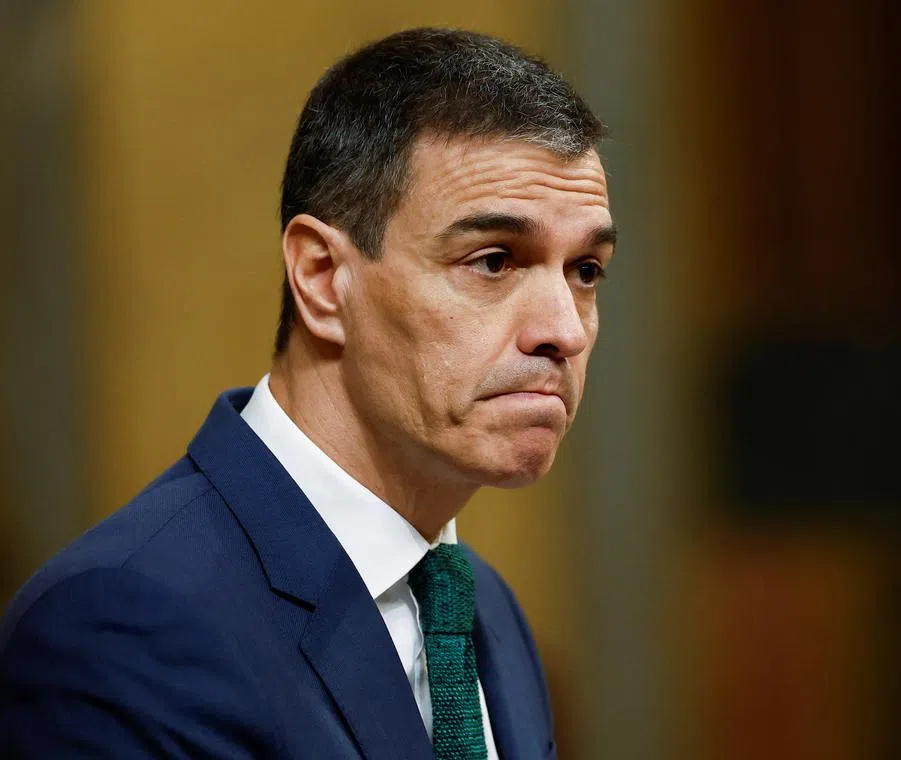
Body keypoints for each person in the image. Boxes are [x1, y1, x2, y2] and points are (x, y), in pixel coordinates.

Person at [0, 28, 613, 759]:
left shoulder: (483, 611)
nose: (562, 330)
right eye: (493, 261)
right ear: (323, 279)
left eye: (586, 270)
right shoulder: (120, 621)